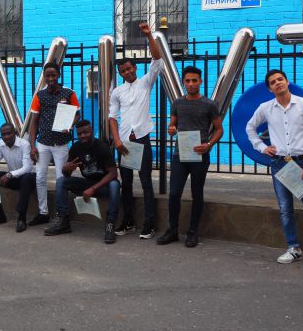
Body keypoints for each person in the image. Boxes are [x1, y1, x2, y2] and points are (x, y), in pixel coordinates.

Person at [246, 69, 303, 270]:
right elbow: (250, 128)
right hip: (279, 164)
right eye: (273, 82)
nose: (277, 83)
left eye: (280, 79)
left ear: (287, 81)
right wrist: (261, 147)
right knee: (285, 209)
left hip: (302, 165)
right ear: (270, 89)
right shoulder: (266, 108)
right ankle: (293, 248)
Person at [156, 65, 223, 248]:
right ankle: (172, 231)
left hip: (200, 155)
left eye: (194, 80)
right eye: (188, 81)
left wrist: (209, 145)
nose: (191, 84)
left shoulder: (209, 104)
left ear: (200, 81)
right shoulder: (177, 103)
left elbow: (219, 129)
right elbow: (172, 126)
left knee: (196, 193)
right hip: (180, 154)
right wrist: (171, 129)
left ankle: (193, 232)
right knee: (174, 193)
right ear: (184, 83)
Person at [108, 22, 163, 239]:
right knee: (127, 184)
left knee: (146, 182)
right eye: (123, 71)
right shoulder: (117, 91)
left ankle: (149, 224)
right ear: (120, 73)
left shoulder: (146, 83)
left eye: (129, 68)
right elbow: (112, 117)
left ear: (135, 68)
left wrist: (149, 36)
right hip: (124, 143)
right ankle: (128, 221)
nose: (127, 72)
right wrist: (117, 140)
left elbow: (157, 60)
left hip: (141, 139)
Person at [44, 120, 121, 244]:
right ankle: (63, 221)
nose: (82, 136)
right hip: (87, 183)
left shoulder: (102, 147)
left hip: (103, 186)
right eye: (80, 134)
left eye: (85, 132)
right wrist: (65, 170)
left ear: (92, 131)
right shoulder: (76, 148)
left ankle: (110, 224)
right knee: (61, 181)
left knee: (115, 184)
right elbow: (67, 175)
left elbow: (113, 173)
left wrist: (93, 189)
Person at [28, 62, 81, 227]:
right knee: (40, 177)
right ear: (44, 77)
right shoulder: (39, 95)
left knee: (61, 179)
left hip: (61, 143)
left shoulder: (69, 93)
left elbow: (77, 114)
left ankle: (60, 213)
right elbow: (34, 122)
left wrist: (70, 124)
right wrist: (32, 145)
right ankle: (43, 212)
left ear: (59, 75)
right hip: (43, 142)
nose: (50, 78)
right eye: (47, 76)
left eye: (53, 75)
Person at [0, 123, 37, 232]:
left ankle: (21, 218)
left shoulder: (24, 144)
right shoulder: (0, 144)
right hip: (14, 177)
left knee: (26, 178)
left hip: (30, 178)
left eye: (9, 133)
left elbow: (27, 168)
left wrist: (9, 174)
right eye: (4, 134)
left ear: (15, 133)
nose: (6, 136)